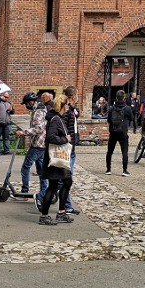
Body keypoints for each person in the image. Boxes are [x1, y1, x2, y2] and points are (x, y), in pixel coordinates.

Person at [37, 94, 75, 225]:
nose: (69, 107)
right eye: (67, 105)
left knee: (67, 181)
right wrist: (65, 139)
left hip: (57, 156)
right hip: (55, 157)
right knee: (53, 186)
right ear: (64, 105)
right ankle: (45, 216)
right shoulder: (55, 119)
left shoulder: (57, 118)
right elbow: (51, 138)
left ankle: (61, 212)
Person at [18, 91, 51, 207]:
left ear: (31, 102)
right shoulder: (40, 110)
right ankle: (44, 192)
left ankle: (25, 191)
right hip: (41, 144)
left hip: (38, 144)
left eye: (26, 103)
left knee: (25, 167)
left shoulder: (38, 112)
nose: (26, 106)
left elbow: (39, 128)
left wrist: (24, 132)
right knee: (42, 172)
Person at [59, 85, 82, 215]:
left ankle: (65, 204)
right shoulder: (66, 110)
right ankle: (65, 205)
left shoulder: (70, 109)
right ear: (73, 97)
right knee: (65, 179)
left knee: (65, 179)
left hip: (71, 147)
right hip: (67, 148)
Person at [105, 90, 133, 176]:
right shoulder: (127, 108)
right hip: (123, 132)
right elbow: (131, 118)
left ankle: (108, 169)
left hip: (113, 132)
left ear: (116, 97)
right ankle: (124, 170)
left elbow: (109, 120)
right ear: (124, 97)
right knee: (124, 152)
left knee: (109, 152)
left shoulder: (111, 108)